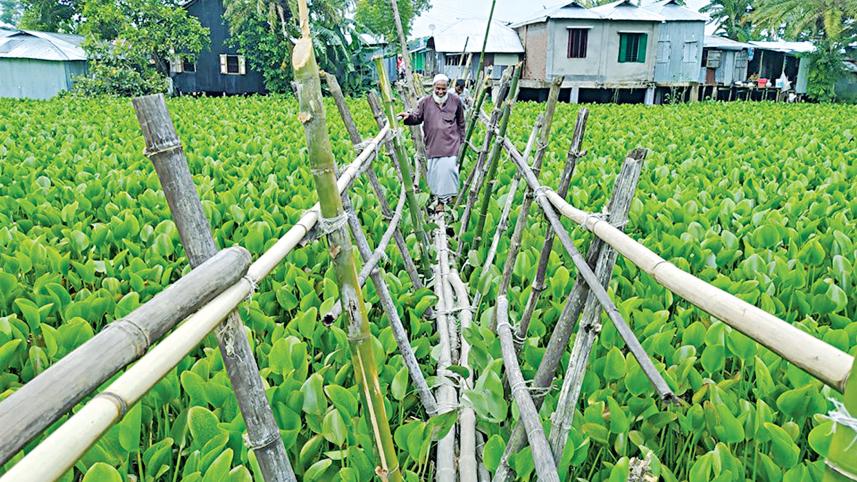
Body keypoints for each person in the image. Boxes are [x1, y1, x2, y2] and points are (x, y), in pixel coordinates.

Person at [398, 74, 465, 211]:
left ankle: (442, 203)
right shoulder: (425, 102)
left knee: (448, 169)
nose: (440, 92)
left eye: (443, 89)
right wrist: (408, 117)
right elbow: (417, 117)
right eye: (438, 88)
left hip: (451, 143)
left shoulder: (456, 101)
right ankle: (443, 197)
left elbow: (461, 122)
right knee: (435, 173)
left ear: (448, 88)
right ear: (433, 87)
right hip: (433, 143)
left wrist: (461, 140)